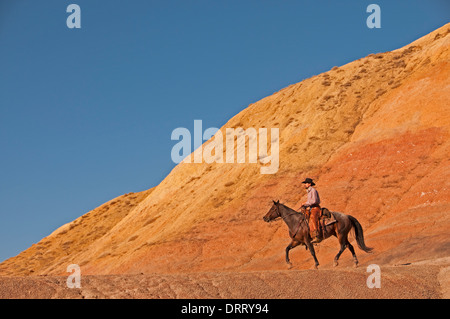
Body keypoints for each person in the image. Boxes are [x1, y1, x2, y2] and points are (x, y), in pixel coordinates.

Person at [297, 178, 322, 242]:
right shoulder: (309, 191)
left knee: (312, 217)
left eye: (305, 183)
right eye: (304, 183)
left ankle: (316, 235)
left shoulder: (313, 190)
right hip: (311, 208)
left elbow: (314, 201)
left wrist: (305, 203)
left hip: (315, 208)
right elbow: (310, 201)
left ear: (309, 184)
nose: (304, 185)